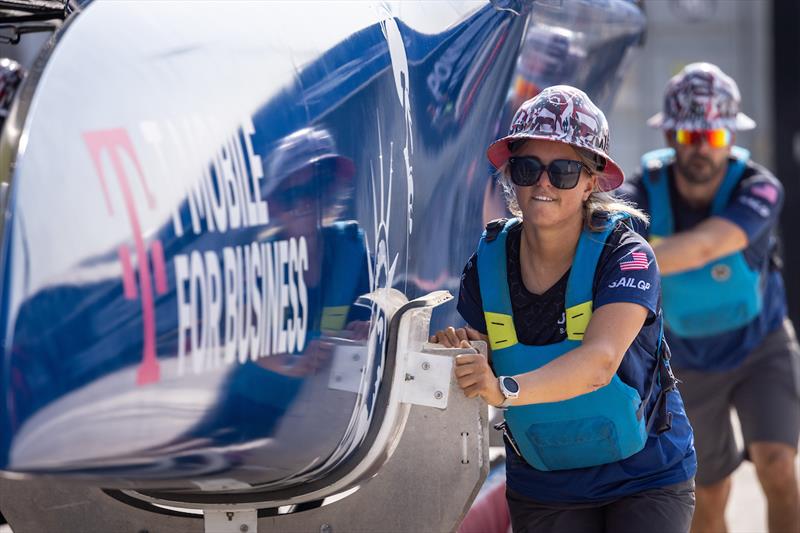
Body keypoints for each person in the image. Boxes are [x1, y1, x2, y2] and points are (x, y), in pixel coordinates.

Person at [432, 85, 696, 532]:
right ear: (511, 175)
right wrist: (463, 356)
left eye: (565, 171)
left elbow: (599, 363)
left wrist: (503, 390)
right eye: (527, 167)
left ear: (592, 180)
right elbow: (484, 354)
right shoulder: (488, 261)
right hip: (545, 480)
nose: (543, 184)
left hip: (645, 474)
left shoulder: (627, 255)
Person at [619, 62, 800, 533]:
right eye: (689, 135)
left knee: (778, 465)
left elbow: (704, 247)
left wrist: (629, 263)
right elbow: (602, 238)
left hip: (761, 344)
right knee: (707, 491)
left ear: (732, 139)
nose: (701, 149)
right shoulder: (639, 194)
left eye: (715, 137)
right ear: (670, 137)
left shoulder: (758, 188)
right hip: (686, 359)